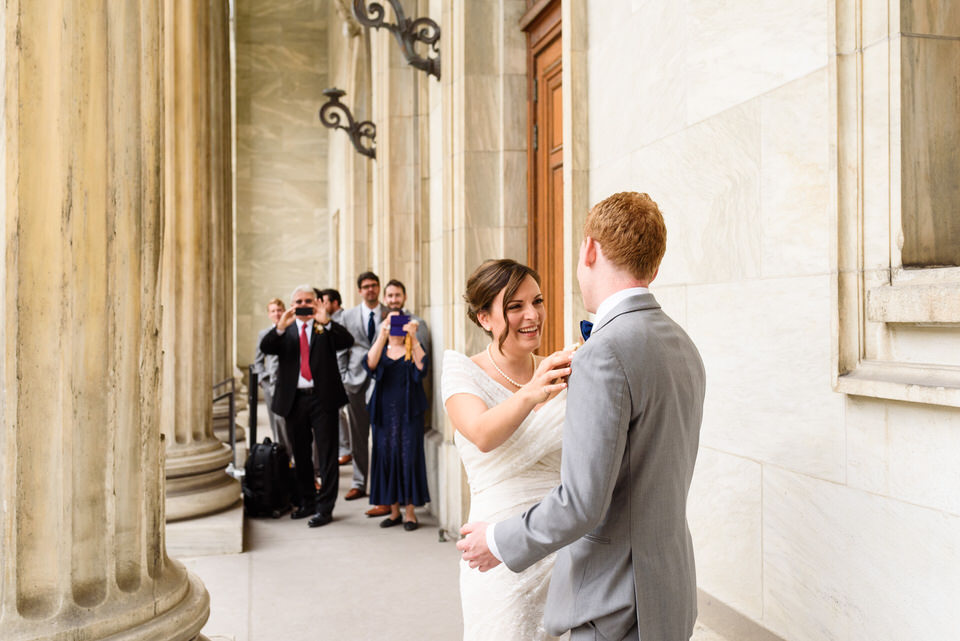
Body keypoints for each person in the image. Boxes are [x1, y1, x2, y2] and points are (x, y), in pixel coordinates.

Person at [457, 192, 707, 641]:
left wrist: (497, 541)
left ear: (590, 250)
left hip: (613, 603)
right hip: (669, 592)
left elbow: (582, 502)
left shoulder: (604, 352)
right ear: (654, 264)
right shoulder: (683, 344)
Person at [442, 259, 574, 641]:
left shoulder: (561, 371)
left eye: (537, 301)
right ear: (484, 318)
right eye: (514, 306)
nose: (532, 315)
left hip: (558, 546)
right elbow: (482, 433)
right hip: (495, 551)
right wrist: (533, 392)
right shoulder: (461, 372)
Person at [259, 285, 354, 528]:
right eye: (299, 301)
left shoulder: (325, 327)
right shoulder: (286, 329)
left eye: (308, 300)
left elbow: (347, 341)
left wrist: (327, 320)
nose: (303, 304)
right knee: (300, 454)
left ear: (317, 302)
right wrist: (281, 325)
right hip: (295, 400)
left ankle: (325, 508)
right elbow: (266, 347)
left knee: (327, 455)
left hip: (323, 399)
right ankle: (307, 503)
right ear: (292, 304)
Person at [363, 305, 430, 531]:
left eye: (400, 323)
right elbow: (369, 364)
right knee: (387, 457)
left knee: (408, 458)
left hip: (409, 412)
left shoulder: (412, 347)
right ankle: (393, 511)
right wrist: (382, 335)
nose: (396, 328)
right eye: (391, 323)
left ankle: (410, 512)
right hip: (384, 412)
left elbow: (423, 367)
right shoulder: (381, 347)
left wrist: (413, 335)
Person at [338, 272, 389, 511]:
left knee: (380, 437)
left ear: (378, 288)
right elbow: (341, 351)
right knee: (358, 436)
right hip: (355, 383)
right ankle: (359, 482)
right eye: (366, 287)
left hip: (383, 383)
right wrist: (344, 377)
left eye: (374, 286)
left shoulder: (390, 314)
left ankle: (381, 487)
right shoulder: (347, 316)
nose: (370, 290)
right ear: (359, 290)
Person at [253, 298, 293, 454]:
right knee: (275, 422)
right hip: (271, 384)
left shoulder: (291, 330)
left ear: (284, 311)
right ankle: (282, 456)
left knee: (289, 421)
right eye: (273, 311)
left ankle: (294, 455)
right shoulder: (264, 334)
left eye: (279, 310)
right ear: (269, 314)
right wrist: (263, 380)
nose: (277, 314)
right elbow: (258, 360)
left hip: (289, 383)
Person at [320, 288, 353, 466]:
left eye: (325, 302)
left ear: (334, 303)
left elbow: (344, 349)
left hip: (342, 374)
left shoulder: (342, 319)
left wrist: (343, 375)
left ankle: (346, 449)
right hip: (334, 374)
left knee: (339, 413)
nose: (322, 305)